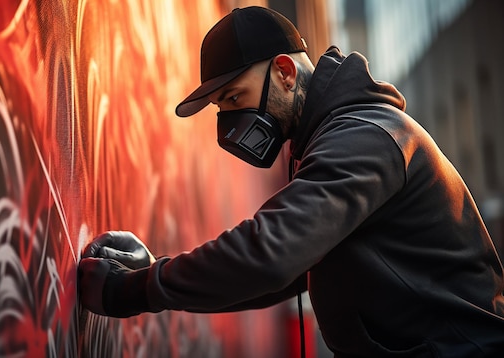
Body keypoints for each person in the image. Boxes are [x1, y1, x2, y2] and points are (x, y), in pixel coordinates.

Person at [78, 6, 504, 357]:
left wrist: (134, 290)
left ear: (284, 72)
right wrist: (156, 271)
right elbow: (285, 270)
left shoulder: (364, 138)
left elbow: (269, 254)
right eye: (220, 108)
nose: (228, 121)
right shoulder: (332, 140)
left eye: (233, 98)